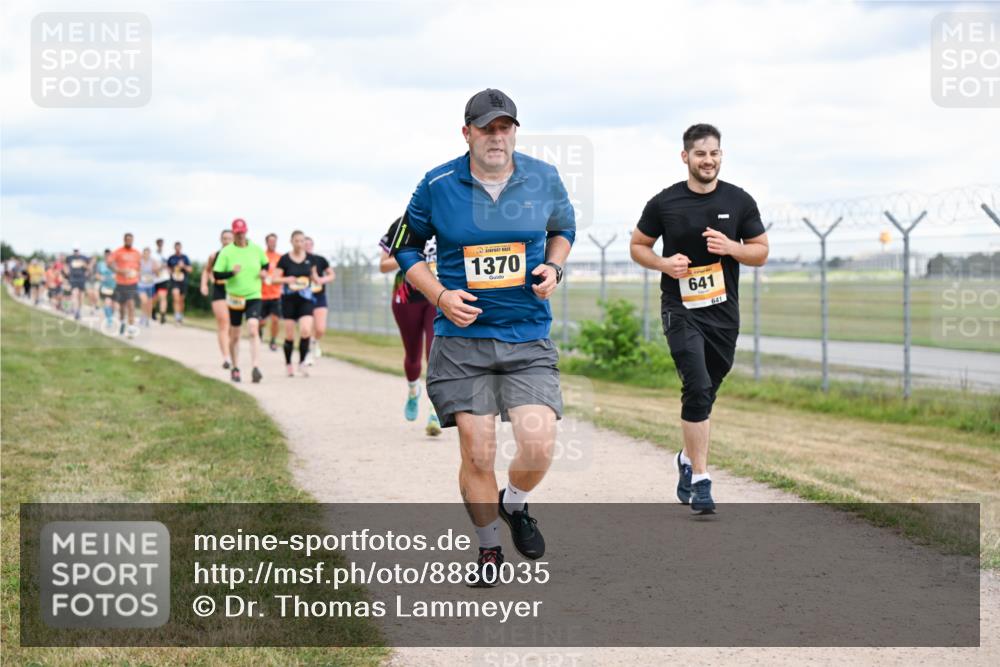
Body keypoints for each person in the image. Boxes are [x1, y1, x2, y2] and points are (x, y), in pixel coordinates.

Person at [392, 88, 575, 585]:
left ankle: (514, 504)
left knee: (538, 445)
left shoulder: (544, 177)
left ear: (515, 131)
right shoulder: (436, 184)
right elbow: (404, 248)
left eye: (506, 127)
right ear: (467, 132)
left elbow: (564, 230)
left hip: (526, 334)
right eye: (487, 128)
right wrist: (439, 296)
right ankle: (489, 547)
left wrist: (554, 268)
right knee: (477, 450)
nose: (497, 137)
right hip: (462, 340)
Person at [630, 123, 769, 515]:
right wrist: (662, 263)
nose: (708, 160)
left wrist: (731, 248)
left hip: (723, 313)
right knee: (696, 383)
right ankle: (703, 480)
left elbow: (761, 251)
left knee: (707, 391)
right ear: (685, 157)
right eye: (700, 154)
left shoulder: (739, 201)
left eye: (714, 153)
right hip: (680, 308)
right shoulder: (665, 203)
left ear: (721, 156)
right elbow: (638, 245)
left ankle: (687, 459)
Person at [379, 217, 441, 436]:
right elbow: (383, 265)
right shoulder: (401, 225)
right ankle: (413, 390)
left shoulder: (446, 221)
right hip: (406, 297)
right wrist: (407, 256)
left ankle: (435, 411)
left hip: (437, 295)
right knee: (412, 355)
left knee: (435, 353)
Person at [212, 218, 268, 383]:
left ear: (246, 231)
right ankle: (235, 368)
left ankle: (255, 367)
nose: (240, 235)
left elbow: (266, 264)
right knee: (235, 335)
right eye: (237, 233)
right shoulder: (227, 252)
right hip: (235, 297)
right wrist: (231, 273)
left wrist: (264, 272)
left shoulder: (256, 249)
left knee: (253, 327)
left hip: (253, 295)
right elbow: (216, 274)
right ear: (234, 233)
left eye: (242, 232)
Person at [275, 231, 318, 377]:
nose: (300, 244)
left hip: (305, 299)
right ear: (291, 242)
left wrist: (318, 280)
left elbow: (314, 276)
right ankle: (288, 364)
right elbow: (273, 278)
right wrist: (286, 280)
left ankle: (302, 363)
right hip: (289, 300)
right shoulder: (284, 259)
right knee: (289, 335)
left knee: (306, 330)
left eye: (302, 241)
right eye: (297, 241)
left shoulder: (310, 258)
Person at [201, 229, 235, 369]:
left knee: (233, 326)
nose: (226, 241)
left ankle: (232, 353)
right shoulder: (214, 256)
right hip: (219, 290)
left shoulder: (239, 256)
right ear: (220, 240)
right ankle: (226, 358)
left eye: (229, 238)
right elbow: (207, 270)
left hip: (235, 292)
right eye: (224, 238)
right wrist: (204, 285)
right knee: (223, 324)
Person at [303, 236, 335, 365]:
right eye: (305, 244)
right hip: (304, 297)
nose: (308, 246)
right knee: (307, 328)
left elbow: (332, 274)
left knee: (320, 329)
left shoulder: (320, 260)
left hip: (319, 296)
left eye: (310, 244)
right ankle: (308, 354)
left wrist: (321, 279)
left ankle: (315, 342)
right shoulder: (299, 261)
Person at [109, 233, 142, 337]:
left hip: (132, 282)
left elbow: (140, 266)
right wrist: (119, 270)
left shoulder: (136, 253)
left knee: (131, 303)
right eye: (127, 239)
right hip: (121, 283)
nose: (129, 241)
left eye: (131, 240)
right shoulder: (118, 252)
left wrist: (138, 273)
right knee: (122, 306)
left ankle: (131, 326)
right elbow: (109, 263)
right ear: (124, 240)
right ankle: (123, 322)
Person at [260, 233, 283, 352]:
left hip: (275, 294)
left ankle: (273, 340)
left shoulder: (280, 257)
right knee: (261, 321)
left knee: (275, 320)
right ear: (266, 242)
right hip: (262, 294)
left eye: (274, 241)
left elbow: (285, 274)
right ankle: (259, 332)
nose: (272, 243)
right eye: (270, 241)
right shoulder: (261, 256)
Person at [63, 245, 91, 320]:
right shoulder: (69, 258)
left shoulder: (84, 258)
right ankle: (76, 311)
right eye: (74, 250)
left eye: (77, 250)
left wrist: (85, 267)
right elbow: (65, 265)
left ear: (79, 250)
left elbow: (89, 268)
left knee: (81, 296)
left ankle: (79, 310)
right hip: (73, 278)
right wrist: (67, 272)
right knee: (74, 294)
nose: (76, 252)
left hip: (82, 279)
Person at [166, 242, 191, 324]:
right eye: (176, 247)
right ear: (174, 248)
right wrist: (171, 271)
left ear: (181, 248)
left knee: (181, 300)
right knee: (175, 297)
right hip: (174, 281)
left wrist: (183, 266)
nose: (178, 249)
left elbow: (190, 270)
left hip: (183, 281)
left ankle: (180, 315)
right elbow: (168, 268)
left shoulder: (185, 257)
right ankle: (176, 316)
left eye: (179, 247)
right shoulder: (171, 258)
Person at [95, 249, 117, 329]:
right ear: (104, 255)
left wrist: (116, 276)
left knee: (114, 305)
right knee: (107, 302)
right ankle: (109, 320)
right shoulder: (100, 264)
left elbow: (119, 273)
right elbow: (97, 275)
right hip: (105, 286)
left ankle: (110, 316)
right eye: (106, 255)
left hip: (114, 286)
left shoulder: (115, 264)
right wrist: (101, 277)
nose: (108, 256)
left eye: (109, 255)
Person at [153, 238, 171, 324]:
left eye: (162, 243)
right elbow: (152, 269)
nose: (160, 244)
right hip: (155, 280)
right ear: (157, 244)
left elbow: (170, 266)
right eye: (159, 243)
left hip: (164, 279)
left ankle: (163, 315)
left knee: (163, 297)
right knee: (155, 299)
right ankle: (153, 310)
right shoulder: (153, 255)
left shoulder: (167, 254)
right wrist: (159, 268)